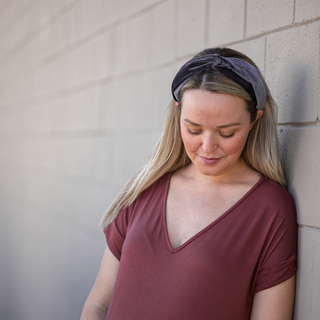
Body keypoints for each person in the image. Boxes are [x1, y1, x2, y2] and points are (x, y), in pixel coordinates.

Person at [80, 47, 297, 320]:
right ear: (177, 114)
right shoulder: (145, 188)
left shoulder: (270, 210)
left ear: (255, 119)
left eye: (227, 133)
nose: (207, 147)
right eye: (193, 129)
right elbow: (98, 306)